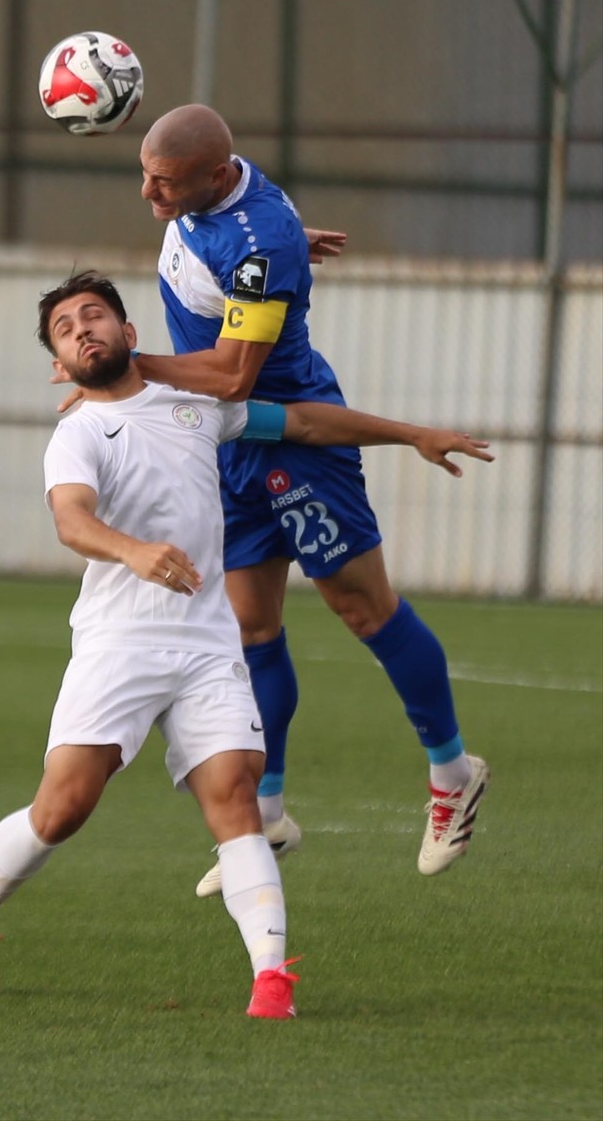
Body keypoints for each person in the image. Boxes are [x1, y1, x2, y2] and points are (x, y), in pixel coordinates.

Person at [0, 272, 492, 1016]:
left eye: (93, 316)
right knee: (63, 808)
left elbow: (306, 425)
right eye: (66, 330)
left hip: (206, 646)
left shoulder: (199, 407)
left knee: (235, 798)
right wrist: (133, 551)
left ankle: (272, 979)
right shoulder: (75, 433)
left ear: (131, 334)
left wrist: (412, 434)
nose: (82, 331)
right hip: (118, 645)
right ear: (59, 366)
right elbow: (71, 521)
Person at [128, 104, 491, 894]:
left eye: (166, 183)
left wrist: (128, 365)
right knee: (251, 625)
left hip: (295, 436)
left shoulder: (255, 242)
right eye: (146, 176)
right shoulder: (229, 206)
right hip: (228, 447)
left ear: (215, 176)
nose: (150, 196)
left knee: (364, 611)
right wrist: (283, 249)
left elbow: (230, 376)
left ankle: (453, 772)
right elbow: (252, 243)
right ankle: (266, 816)